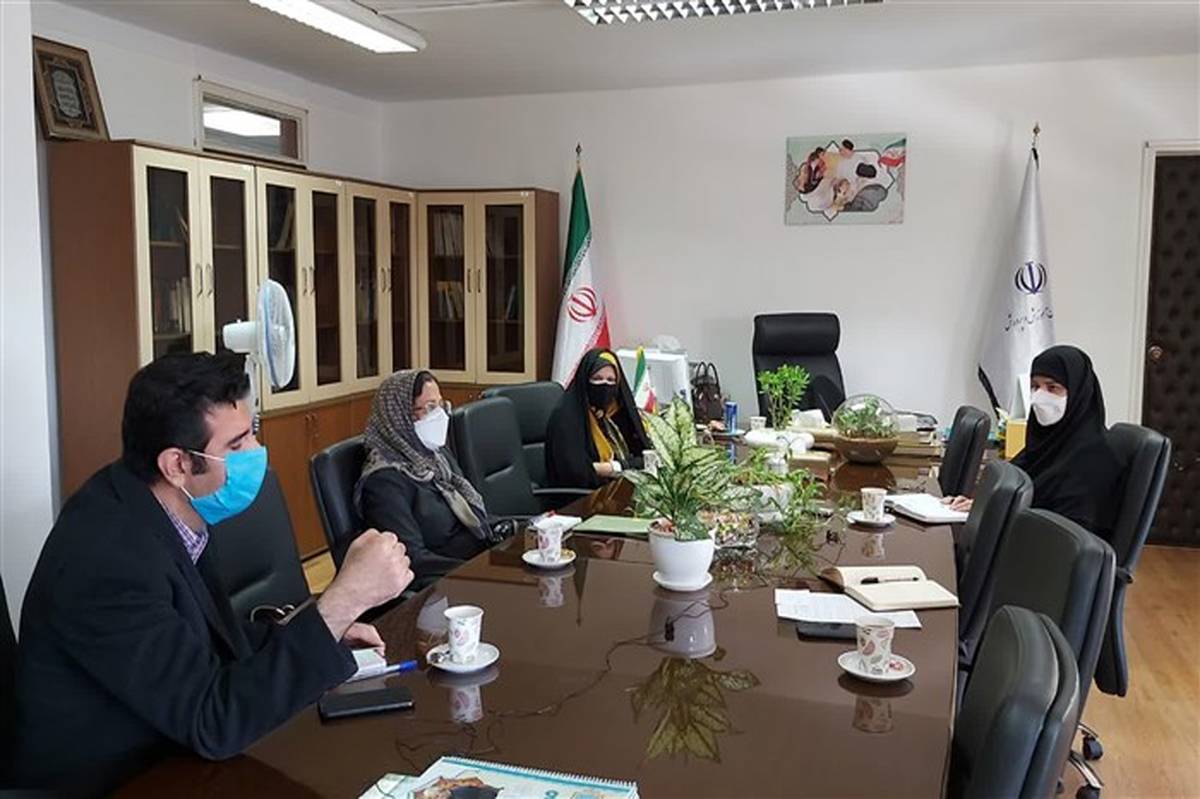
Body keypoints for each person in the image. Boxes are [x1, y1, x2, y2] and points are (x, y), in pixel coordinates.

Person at [12, 353, 414, 796]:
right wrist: (342, 602)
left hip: (172, 747)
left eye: (252, 432)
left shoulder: (164, 507)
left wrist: (318, 628)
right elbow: (213, 721)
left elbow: (198, 638)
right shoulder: (108, 561)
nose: (257, 453)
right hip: (115, 780)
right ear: (177, 465)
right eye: (237, 445)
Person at [946, 345, 1123, 541]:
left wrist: (996, 512)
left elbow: (1067, 534)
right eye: (1035, 386)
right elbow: (1014, 488)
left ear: (1078, 393)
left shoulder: (1095, 459)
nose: (1038, 397)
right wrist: (979, 503)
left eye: (1052, 387)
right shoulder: (1045, 445)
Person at [355, 370, 494, 589]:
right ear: (399, 417)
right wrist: (478, 573)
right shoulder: (383, 482)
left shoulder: (436, 457)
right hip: (444, 588)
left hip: (476, 563)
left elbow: (471, 516)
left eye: (440, 405)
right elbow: (413, 560)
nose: (439, 415)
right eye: (429, 408)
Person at [545, 349, 651, 489]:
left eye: (611, 380)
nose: (604, 386)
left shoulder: (615, 413)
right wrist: (622, 467)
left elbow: (646, 458)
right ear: (585, 380)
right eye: (597, 379)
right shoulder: (566, 418)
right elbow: (576, 473)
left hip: (619, 489)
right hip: (581, 496)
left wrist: (612, 467)